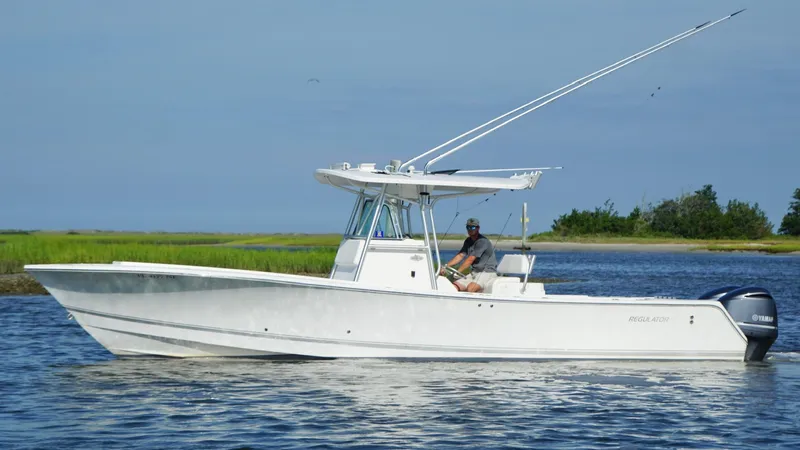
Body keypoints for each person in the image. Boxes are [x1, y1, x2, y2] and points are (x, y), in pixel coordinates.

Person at [439, 218, 498, 292]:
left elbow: (470, 259)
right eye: (468, 227)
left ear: (478, 228)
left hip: (487, 272)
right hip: (474, 272)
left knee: (471, 288)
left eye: (473, 227)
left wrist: (458, 272)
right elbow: (460, 255)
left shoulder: (482, 241)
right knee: (453, 287)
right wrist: (446, 266)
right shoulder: (468, 241)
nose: (470, 229)